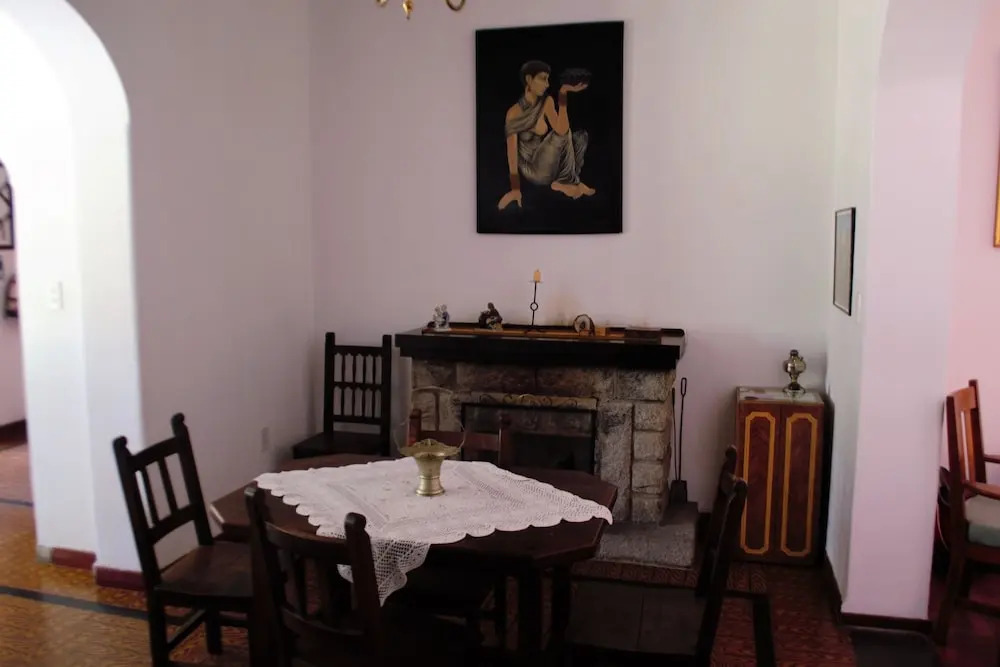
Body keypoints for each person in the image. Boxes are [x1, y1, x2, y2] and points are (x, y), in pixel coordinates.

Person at [497, 60, 595, 210]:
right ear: (529, 79)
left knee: (580, 137)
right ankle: (567, 182)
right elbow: (512, 155)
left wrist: (563, 93)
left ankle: (565, 181)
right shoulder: (513, 113)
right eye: (543, 79)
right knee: (562, 135)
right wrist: (515, 189)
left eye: (548, 79)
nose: (547, 84)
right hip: (534, 170)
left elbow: (562, 128)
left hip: (549, 162)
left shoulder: (547, 102)